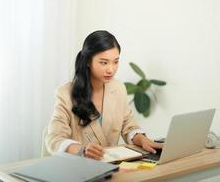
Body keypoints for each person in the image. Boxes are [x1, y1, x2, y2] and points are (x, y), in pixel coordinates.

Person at [45, 30, 162, 160]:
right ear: (88, 61)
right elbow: (54, 139)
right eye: (104, 62)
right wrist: (82, 150)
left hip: (111, 166)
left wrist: (143, 140)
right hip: (78, 168)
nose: (111, 69)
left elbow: (129, 126)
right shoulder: (65, 94)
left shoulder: (118, 88)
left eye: (115, 61)